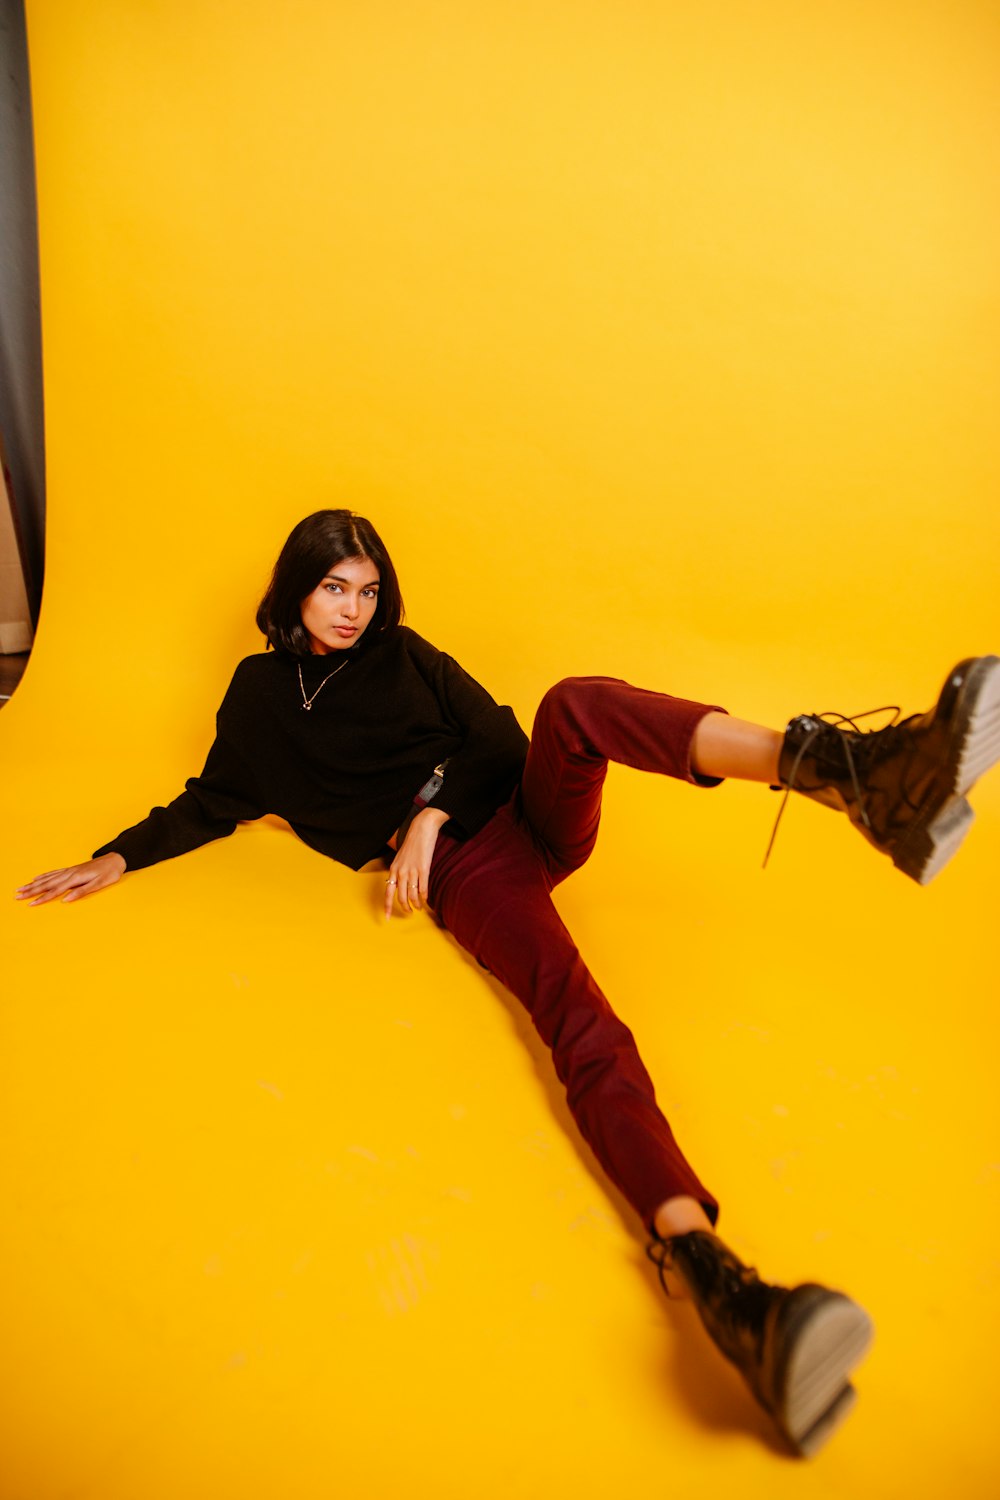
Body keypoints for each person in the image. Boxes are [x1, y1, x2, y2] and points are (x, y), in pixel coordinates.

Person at [15, 510, 1000, 1457]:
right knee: (584, 1027)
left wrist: (430, 812)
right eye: (332, 586)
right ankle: (721, 1283)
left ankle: (854, 769)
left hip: (512, 815)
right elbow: (213, 798)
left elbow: (495, 736)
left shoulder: (403, 657)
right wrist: (117, 856)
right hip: (477, 879)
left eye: (366, 588)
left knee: (574, 701)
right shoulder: (259, 697)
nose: (352, 608)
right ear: (296, 591)